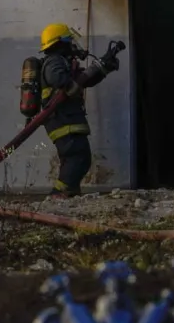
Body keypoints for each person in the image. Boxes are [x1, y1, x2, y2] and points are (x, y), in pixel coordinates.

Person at [38, 23, 119, 198]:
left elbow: (84, 81)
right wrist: (70, 84)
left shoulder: (64, 62)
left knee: (75, 158)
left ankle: (69, 193)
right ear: (60, 43)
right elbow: (59, 79)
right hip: (62, 120)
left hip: (66, 118)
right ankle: (59, 193)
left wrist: (104, 67)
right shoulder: (54, 61)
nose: (73, 45)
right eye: (69, 40)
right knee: (78, 158)